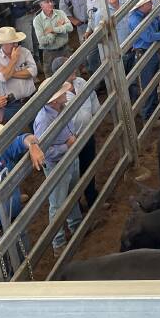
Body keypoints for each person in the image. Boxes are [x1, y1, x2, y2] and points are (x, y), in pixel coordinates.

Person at [32, 83, 83, 254]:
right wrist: (67, 146)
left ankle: (76, 227)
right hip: (58, 164)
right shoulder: (43, 120)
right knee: (57, 204)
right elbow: (43, 151)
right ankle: (58, 242)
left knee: (71, 194)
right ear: (54, 100)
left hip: (70, 158)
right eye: (62, 92)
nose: (66, 93)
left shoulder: (60, 109)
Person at [50, 57, 99, 209]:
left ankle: (92, 198)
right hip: (71, 140)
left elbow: (93, 98)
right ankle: (76, 206)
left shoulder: (81, 82)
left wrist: (96, 115)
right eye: (68, 68)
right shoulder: (56, 95)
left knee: (89, 166)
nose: (73, 70)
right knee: (73, 174)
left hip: (87, 133)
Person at [126, 0, 160, 121]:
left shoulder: (149, 13)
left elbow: (159, 24)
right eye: (149, 2)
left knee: (153, 82)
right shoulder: (135, 19)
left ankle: (154, 110)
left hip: (150, 52)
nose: (151, 3)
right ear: (142, 5)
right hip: (143, 54)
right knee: (147, 85)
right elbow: (148, 37)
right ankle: (148, 116)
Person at [0, 26, 37, 117]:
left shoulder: (25, 52)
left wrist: (8, 72)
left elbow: (33, 72)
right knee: (17, 131)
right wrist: (13, 60)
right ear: (2, 44)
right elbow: (3, 78)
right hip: (12, 105)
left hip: (31, 98)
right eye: (12, 43)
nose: (15, 45)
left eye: (16, 42)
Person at [33, 0, 73, 73]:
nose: (51, 3)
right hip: (49, 53)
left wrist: (53, 29)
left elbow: (70, 27)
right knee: (51, 79)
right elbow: (42, 41)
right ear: (41, 5)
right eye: (47, 2)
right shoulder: (37, 20)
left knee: (73, 72)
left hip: (65, 49)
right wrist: (57, 29)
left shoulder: (60, 13)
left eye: (51, 1)